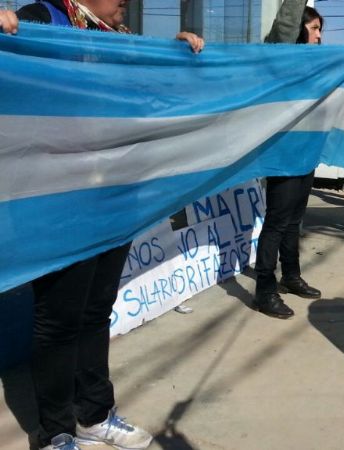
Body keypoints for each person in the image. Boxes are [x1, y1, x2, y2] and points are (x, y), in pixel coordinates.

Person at [1, 2, 203, 450]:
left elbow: (146, 89)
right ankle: (54, 431)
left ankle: (94, 413)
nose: (126, 3)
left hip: (112, 197)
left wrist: (172, 54)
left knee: (95, 310)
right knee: (58, 320)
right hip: (58, 203)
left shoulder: (119, 37)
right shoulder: (39, 18)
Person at [253, 3, 324, 320]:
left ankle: (291, 276)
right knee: (277, 222)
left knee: (295, 220)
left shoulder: (314, 65)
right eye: (314, 29)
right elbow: (284, 27)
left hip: (306, 154)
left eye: (321, 29)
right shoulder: (281, 58)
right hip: (283, 156)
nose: (319, 36)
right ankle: (264, 291)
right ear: (298, 30)